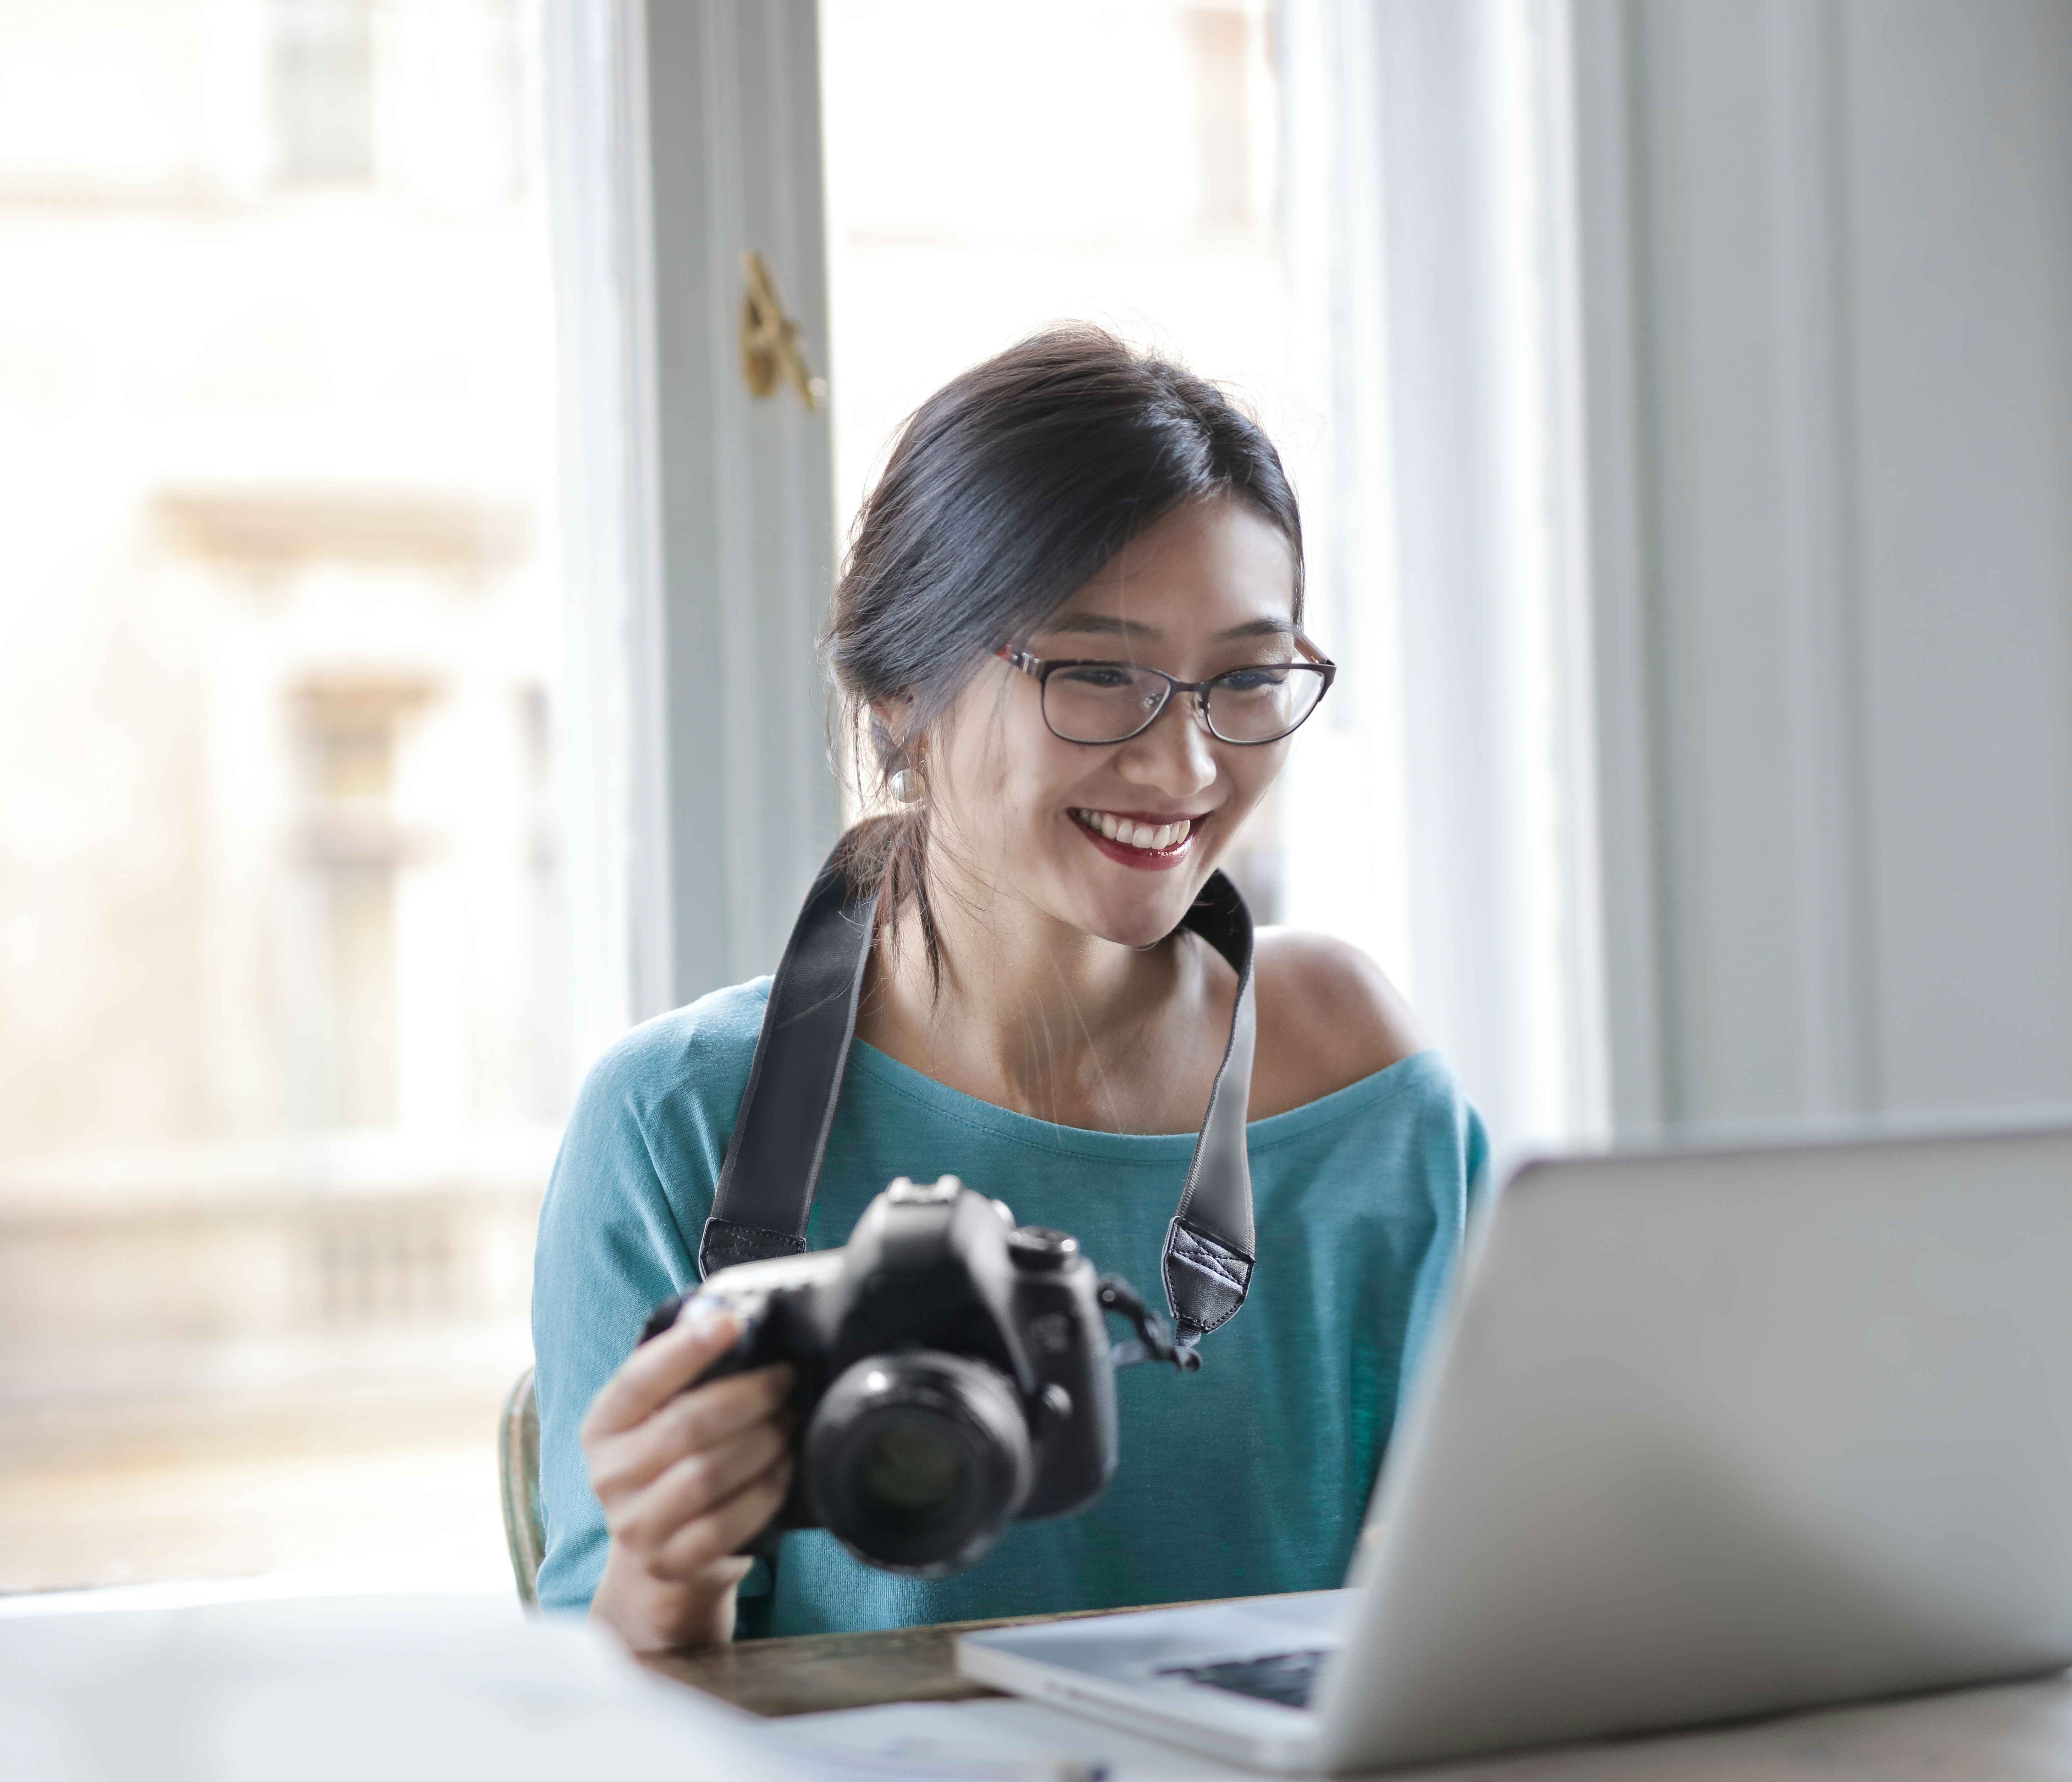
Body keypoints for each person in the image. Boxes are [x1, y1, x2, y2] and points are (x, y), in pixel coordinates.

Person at [532, 326, 1488, 1652]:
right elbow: (602, 1721)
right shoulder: (682, 1122)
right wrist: (670, 1568)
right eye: (1099, 672)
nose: (1188, 767)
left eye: (1246, 680)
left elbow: (1532, 1584)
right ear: (893, 692)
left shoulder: (1354, 1075)